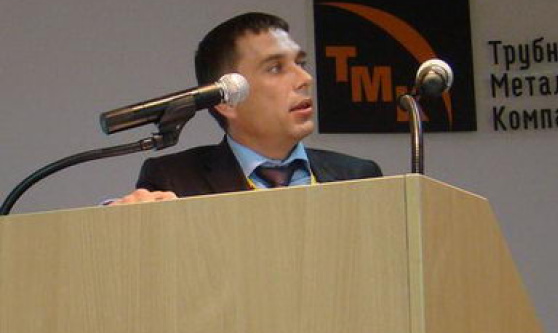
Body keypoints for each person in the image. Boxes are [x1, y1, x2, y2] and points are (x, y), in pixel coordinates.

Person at [111, 12, 381, 205]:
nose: (305, 79)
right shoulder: (175, 179)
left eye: (301, 64)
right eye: (275, 68)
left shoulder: (358, 176)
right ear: (227, 100)